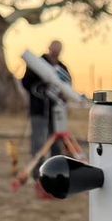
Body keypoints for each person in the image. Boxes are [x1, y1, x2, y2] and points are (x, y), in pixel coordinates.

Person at [21, 39, 73, 167]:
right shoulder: (38, 64)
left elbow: (67, 86)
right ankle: (36, 169)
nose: (56, 52)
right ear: (49, 48)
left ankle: (54, 167)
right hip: (39, 109)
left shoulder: (62, 68)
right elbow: (26, 83)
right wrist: (41, 88)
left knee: (56, 141)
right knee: (38, 141)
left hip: (55, 112)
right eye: (54, 49)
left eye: (58, 50)